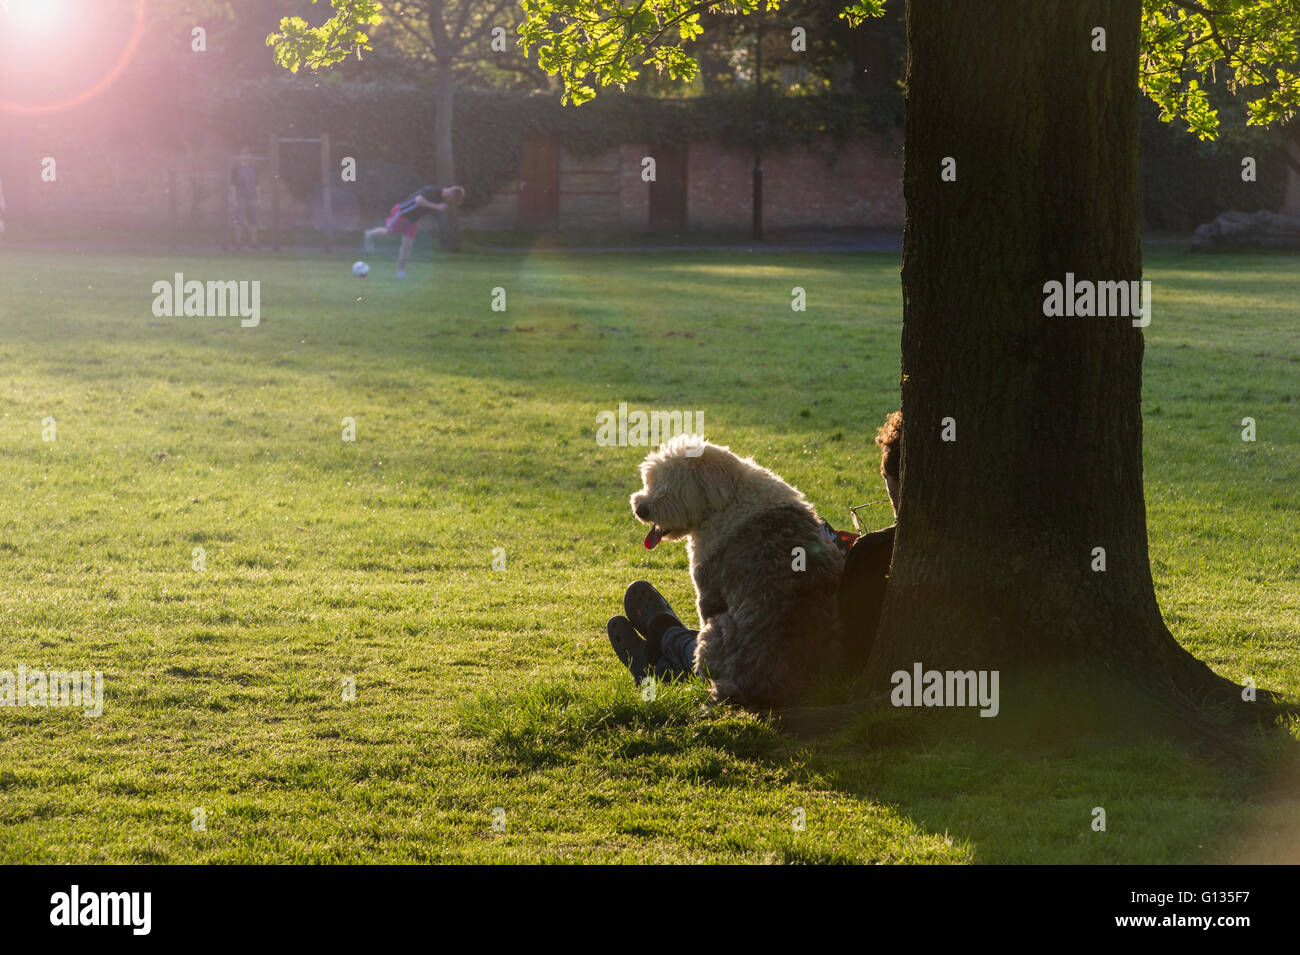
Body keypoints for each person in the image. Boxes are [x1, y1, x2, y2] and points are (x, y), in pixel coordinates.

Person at [361, 185, 465, 278]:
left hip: (413, 221)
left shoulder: (442, 200)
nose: (449, 203)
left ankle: (401, 272)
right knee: (389, 234)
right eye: (451, 201)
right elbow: (418, 200)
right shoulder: (432, 190)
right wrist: (436, 206)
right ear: (451, 194)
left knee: (407, 246)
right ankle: (369, 234)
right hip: (402, 213)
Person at [229, 148, 260, 250]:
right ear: (240, 156)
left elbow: (257, 185)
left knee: (253, 221)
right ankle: (238, 244)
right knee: (238, 222)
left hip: (252, 198)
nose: (246, 157)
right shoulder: (236, 169)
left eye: (248, 155)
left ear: (250, 157)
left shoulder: (254, 169)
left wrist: (258, 199)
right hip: (240, 198)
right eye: (244, 155)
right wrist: (234, 200)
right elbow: (233, 186)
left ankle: (254, 243)